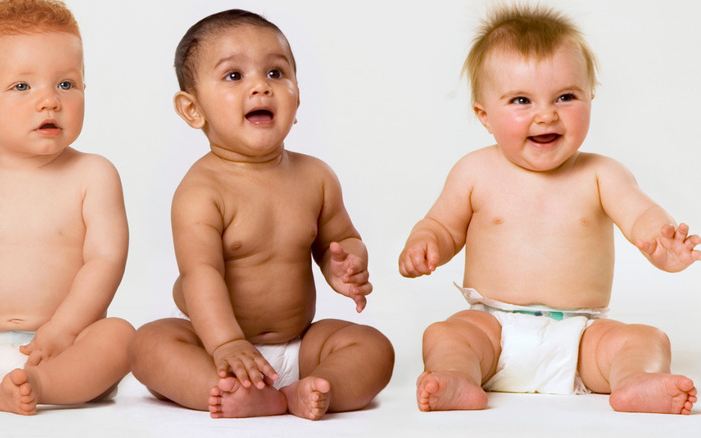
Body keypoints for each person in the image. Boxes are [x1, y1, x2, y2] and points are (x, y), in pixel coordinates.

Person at [399, 4, 698, 415]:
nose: (546, 114)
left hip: (580, 337)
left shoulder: (601, 173)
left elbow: (641, 215)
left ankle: (635, 381)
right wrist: (425, 241)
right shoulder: (474, 171)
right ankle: (457, 378)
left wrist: (664, 241)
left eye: (566, 96)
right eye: (521, 100)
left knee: (647, 340)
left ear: (590, 96)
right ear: (484, 115)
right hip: (492, 327)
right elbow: (442, 226)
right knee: (445, 335)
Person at [128, 9, 394, 421]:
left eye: (275, 73)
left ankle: (316, 387)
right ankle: (227, 390)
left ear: (297, 96)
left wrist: (347, 263)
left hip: (301, 344)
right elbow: (201, 275)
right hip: (216, 347)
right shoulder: (201, 192)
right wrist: (226, 344)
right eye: (234, 76)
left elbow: (339, 239)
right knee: (148, 345)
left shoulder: (316, 177)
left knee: (373, 346)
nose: (260, 87)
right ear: (193, 110)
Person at [0, 0, 134, 415]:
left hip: (64, 349)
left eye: (67, 84)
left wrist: (63, 330)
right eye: (23, 86)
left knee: (122, 337)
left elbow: (105, 260)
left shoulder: (94, 174)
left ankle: (41, 385)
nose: (50, 101)